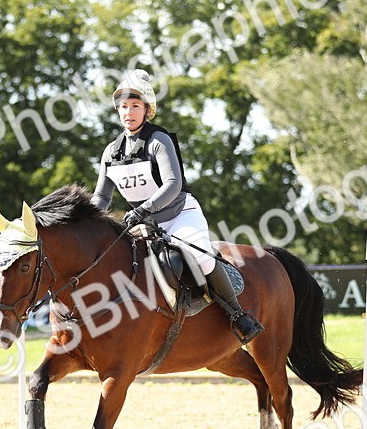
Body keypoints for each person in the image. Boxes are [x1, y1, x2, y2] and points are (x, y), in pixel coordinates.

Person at [90, 69, 264, 344]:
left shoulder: (159, 140)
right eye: (123, 107)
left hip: (179, 215)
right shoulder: (111, 151)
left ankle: (237, 314)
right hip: (143, 224)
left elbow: (173, 184)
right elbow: (102, 196)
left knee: (203, 257)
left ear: (147, 110)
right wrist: (88, 219)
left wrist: (143, 210)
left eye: (135, 106)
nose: (128, 112)